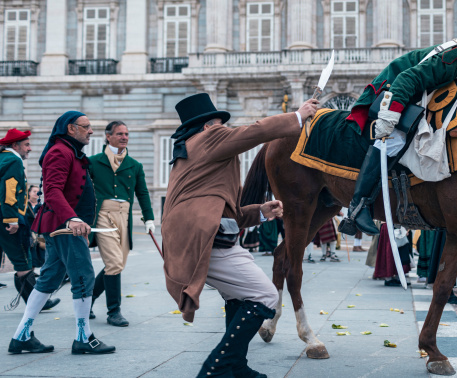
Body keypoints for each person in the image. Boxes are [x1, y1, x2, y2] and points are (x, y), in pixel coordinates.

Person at [160, 93, 318, 377]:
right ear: (208, 127)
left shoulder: (192, 152)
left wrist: (260, 211)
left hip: (201, 238)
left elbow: (218, 209)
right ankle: (217, 368)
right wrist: (298, 115)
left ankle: (235, 365)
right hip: (206, 242)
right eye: (221, 126)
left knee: (239, 296)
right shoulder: (207, 138)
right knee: (266, 296)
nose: (225, 132)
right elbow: (254, 132)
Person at [339, 30, 457, 236]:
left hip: (415, 94)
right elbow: (408, 79)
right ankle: (358, 206)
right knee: (394, 140)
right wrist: (389, 115)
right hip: (392, 88)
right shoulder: (453, 61)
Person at [9, 111, 115, 355]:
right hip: (65, 227)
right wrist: (73, 218)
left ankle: (21, 336)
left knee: (48, 280)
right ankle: (83, 337)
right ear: (70, 129)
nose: (91, 131)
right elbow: (53, 191)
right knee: (84, 278)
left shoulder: (69, 151)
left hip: (64, 225)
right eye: (86, 126)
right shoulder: (60, 151)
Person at [87, 121, 155, 326]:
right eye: (119, 134)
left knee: (115, 264)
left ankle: (87, 299)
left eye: (126, 134)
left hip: (124, 217)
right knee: (114, 263)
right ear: (108, 136)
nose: (124, 137)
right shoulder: (93, 162)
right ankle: (113, 312)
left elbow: (142, 193)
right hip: (103, 215)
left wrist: (149, 218)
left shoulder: (135, 165)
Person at [0, 129, 60, 312]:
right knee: (23, 262)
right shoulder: (13, 160)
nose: (30, 148)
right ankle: (38, 302)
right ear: (15, 146)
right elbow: (9, 190)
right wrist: (12, 219)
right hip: (7, 218)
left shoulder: (3, 158)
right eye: (26, 145)